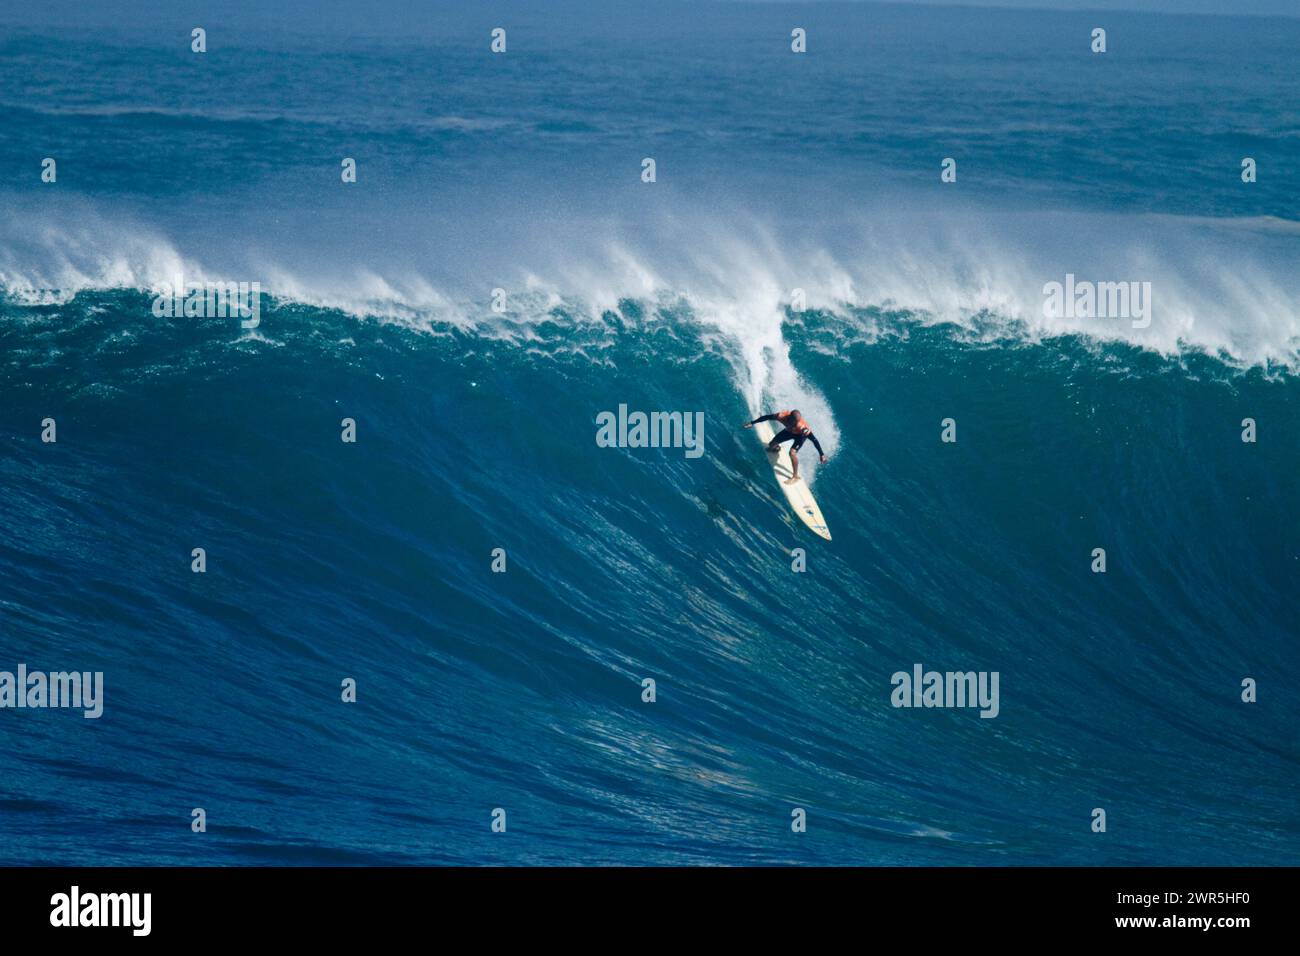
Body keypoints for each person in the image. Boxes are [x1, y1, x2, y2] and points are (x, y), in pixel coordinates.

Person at [743, 409, 827, 484]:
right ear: (790, 418)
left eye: (798, 421)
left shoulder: (802, 427)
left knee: (792, 453)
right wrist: (752, 423)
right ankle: (777, 448)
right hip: (789, 431)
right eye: (795, 421)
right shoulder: (781, 416)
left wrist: (821, 454)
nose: (797, 423)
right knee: (771, 445)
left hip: (800, 436)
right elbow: (767, 417)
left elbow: (814, 440)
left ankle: (795, 476)